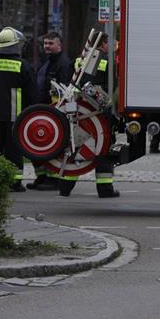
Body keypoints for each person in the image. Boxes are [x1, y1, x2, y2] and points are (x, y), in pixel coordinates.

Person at [60, 35, 120, 198]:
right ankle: (105, 189)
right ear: (103, 44)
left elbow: (68, 83)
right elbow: (114, 87)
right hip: (101, 113)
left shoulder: (78, 61)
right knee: (104, 148)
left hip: (79, 111)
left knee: (76, 147)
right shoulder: (108, 62)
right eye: (112, 44)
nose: (113, 47)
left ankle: (65, 188)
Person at [0, 26, 38, 192]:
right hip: (17, 116)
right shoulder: (23, 66)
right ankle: (14, 182)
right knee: (14, 150)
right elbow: (32, 93)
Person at [26, 30, 75, 191]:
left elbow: (64, 90)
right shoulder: (47, 62)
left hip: (54, 112)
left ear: (59, 45)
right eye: (45, 43)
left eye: (50, 43)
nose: (47, 46)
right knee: (37, 145)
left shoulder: (64, 63)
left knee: (53, 147)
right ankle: (42, 176)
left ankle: (53, 180)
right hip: (43, 110)